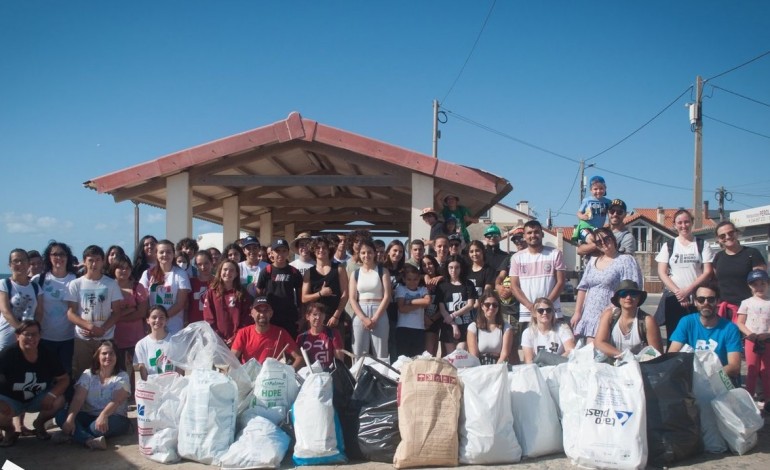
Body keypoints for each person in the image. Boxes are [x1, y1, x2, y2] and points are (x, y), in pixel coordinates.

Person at [0, 321, 69, 447]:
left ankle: (39, 424)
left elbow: (64, 378)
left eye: (35, 334)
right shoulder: (7, 354)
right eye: (27, 334)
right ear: (17, 336)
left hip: (37, 398)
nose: (31, 338)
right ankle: (10, 430)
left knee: (59, 399)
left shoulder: (47, 353)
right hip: (10, 401)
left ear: (40, 335)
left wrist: (52, 394)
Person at [55, 340, 131, 450]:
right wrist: (70, 419)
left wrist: (103, 415)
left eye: (111, 353)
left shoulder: (122, 376)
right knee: (62, 416)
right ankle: (89, 440)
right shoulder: (88, 374)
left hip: (114, 417)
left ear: (116, 356)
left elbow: (116, 400)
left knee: (96, 428)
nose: (108, 356)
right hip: (89, 415)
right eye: (104, 353)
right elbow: (78, 399)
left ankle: (72, 435)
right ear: (98, 356)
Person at [571, 227, 642, 341]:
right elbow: (582, 288)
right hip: (590, 315)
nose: (603, 243)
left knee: (607, 352)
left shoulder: (625, 260)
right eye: (599, 242)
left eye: (606, 239)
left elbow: (631, 288)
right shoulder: (592, 261)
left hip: (612, 314)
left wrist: (612, 308)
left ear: (613, 238)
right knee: (591, 353)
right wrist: (577, 312)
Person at [65, 245, 124, 381]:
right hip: (82, 338)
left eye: (98, 260)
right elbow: (71, 313)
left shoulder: (111, 284)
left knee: (106, 372)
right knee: (82, 373)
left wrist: (102, 330)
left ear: (103, 262)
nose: (94, 264)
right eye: (90, 260)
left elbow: (117, 312)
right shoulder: (75, 284)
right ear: (84, 261)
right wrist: (90, 327)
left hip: (105, 337)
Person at [655, 209, 715, 341]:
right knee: (675, 337)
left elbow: (708, 271)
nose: (683, 225)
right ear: (675, 225)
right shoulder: (669, 245)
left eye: (687, 222)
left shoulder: (702, 245)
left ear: (692, 223)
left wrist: (688, 290)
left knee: (696, 337)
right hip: (674, 299)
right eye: (680, 222)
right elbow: (662, 272)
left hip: (697, 299)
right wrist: (679, 293)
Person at [668, 283, 742, 383]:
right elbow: (672, 353)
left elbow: (734, 366)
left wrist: (709, 377)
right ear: (695, 302)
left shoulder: (730, 328)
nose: (706, 303)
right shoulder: (686, 322)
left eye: (711, 299)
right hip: (691, 378)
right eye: (701, 299)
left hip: (719, 380)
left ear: (717, 301)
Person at [509, 220, 566, 334]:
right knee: (528, 349)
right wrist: (531, 307)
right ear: (524, 236)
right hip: (527, 313)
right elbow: (514, 286)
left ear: (542, 234)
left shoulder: (555, 254)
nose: (533, 235)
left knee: (554, 348)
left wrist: (545, 306)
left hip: (551, 312)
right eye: (529, 233)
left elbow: (561, 282)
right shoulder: (516, 257)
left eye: (536, 232)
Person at [34, 241, 78, 378]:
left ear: (67, 256)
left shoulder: (76, 279)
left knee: (66, 374)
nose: (58, 257)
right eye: (54, 254)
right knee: (45, 374)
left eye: (62, 254)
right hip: (44, 337)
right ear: (48, 257)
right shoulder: (38, 280)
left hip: (69, 338)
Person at [712, 221, 766, 323]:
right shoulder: (718, 257)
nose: (727, 237)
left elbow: (761, 284)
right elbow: (717, 282)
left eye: (730, 233)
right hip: (724, 310)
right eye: (722, 236)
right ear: (718, 239)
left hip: (748, 310)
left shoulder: (752, 253)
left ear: (736, 233)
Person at [594, 280, 663, 359]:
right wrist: (624, 356)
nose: (628, 297)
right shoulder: (610, 315)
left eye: (633, 294)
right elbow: (599, 343)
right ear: (618, 298)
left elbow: (657, 354)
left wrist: (634, 360)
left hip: (641, 367)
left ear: (639, 298)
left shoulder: (648, 321)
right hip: (614, 366)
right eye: (623, 294)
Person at [231, 297, 304, 370]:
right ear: (252, 313)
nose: (262, 314)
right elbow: (231, 360)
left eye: (265, 310)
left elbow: (299, 358)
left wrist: (289, 373)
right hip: (249, 378)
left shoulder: (281, 333)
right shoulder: (243, 333)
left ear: (271, 313)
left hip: (272, 378)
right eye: (259, 310)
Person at [110, 254, 148, 394]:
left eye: (127, 268)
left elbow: (142, 312)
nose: (124, 271)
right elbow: (107, 313)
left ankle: (136, 395)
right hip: (115, 337)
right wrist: (130, 309)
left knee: (135, 370)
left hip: (135, 337)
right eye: (120, 268)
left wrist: (117, 316)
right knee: (118, 369)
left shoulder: (138, 287)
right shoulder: (108, 287)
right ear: (114, 269)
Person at [348, 239, 391, 360]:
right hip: (360, 312)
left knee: (381, 352)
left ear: (374, 253)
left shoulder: (383, 271)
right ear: (359, 254)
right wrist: (363, 318)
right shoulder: (355, 274)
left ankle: (382, 377)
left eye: (369, 252)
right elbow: (352, 298)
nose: (366, 255)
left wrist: (376, 318)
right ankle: (358, 378)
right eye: (363, 253)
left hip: (379, 312)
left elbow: (387, 296)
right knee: (359, 353)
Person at [139, 239, 191, 335]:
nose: (165, 255)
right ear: (156, 254)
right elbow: (143, 300)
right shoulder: (147, 274)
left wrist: (162, 318)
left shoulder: (181, 274)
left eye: (168, 252)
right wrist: (154, 320)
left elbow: (180, 303)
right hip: (154, 326)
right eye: (161, 252)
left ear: (173, 254)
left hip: (174, 327)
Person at [255, 239, 303, 338]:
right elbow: (259, 294)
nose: (280, 254)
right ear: (272, 253)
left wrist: (301, 317)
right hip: (271, 315)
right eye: (277, 251)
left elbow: (300, 296)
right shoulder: (266, 271)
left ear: (288, 253)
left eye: (284, 251)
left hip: (289, 316)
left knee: (290, 346)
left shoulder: (294, 272)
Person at [736, 270, 770, 402]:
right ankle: (748, 399)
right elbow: (740, 322)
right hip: (752, 340)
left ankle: (767, 399)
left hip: (767, 340)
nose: (759, 287)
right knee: (752, 370)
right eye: (755, 285)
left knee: (766, 370)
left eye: (763, 284)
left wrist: (767, 334)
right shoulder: (746, 302)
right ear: (750, 286)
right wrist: (751, 335)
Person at [301, 236, 349, 330]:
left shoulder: (339, 268)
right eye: (318, 248)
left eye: (324, 247)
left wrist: (336, 316)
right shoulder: (309, 272)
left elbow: (345, 294)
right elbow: (304, 298)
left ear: (329, 250)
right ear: (313, 251)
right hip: (316, 320)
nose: (321, 250)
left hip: (335, 318)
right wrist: (320, 294)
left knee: (337, 345)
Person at [203, 259, 253, 346]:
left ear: (236, 274)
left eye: (232, 270)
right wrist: (217, 336)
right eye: (225, 269)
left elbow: (246, 318)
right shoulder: (211, 292)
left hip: (237, 340)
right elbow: (208, 317)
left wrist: (236, 337)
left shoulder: (242, 293)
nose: (228, 273)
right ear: (220, 271)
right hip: (216, 340)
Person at [1, 249, 44, 349]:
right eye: (16, 261)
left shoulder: (36, 287)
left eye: (23, 260)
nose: (20, 263)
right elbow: (5, 311)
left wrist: (32, 333)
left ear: (28, 263)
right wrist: (22, 331)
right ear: (10, 265)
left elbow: (39, 313)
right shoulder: (4, 284)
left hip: (30, 340)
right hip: (8, 337)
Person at [435, 255, 478, 355]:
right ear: (447, 268)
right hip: (448, 326)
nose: (453, 270)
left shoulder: (468, 284)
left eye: (457, 267)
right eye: (451, 267)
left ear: (461, 268)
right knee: (451, 358)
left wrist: (453, 315)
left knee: (460, 354)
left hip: (465, 324)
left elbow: (470, 305)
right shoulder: (442, 286)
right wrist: (453, 324)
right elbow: (442, 308)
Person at [522, 297, 576, 363]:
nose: (545, 313)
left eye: (548, 310)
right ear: (534, 314)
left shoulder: (563, 329)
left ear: (552, 313)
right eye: (540, 311)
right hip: (538, 368)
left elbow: (571, 350)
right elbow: (528, 360)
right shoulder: (528, 333)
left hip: (559, 367)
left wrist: (553, 362)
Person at [467, 292, 514, 365]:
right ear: (482, 306)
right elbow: (474, 355)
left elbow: (504, 354)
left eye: (495, 305)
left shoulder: (506, 328)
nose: (491, 307)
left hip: (499, 365)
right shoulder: (473, 327)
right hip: (479, 366)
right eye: (487, 305)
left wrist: (495, 370)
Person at [394, 264, 431, 357]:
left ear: (419, 279)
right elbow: (402, 308)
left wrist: (410, 302)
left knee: (417, 357)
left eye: (415, 279)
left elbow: (427, 301)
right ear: (404, 279)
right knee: (403, 357)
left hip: (419, 328)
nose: (412, 282)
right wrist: (420, 304)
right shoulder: (401, 289)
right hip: (403, 327)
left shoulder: (423, 289)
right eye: (409, 279)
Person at [296, 303, 344, 369]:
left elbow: (339, 361)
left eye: (321, 314)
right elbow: (299, 361)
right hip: (310, 375)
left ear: (324, 316)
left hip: (329, 373)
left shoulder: (333, 333)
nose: (318, 317)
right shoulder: (301, 338)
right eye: (314, 314)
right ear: (308, 317)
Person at [134, 305, 176, 380]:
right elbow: (142, 370)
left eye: (161, 317)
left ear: (167, 320)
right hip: (152, 388)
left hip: (172, 387)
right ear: (147, 320)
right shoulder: (141, 345)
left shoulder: (175, 341)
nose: (157, 320)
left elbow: (179, 369)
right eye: (154, 317)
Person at [383, 240, 405, 361]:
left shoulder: (404, 270)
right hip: (383, 309)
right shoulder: (381, 268)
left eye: (400, 251)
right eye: (395, 250)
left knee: (395, 341)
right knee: (385, 341)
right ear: (388, 252)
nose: (397, 254)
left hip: (399, 310)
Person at [573, 175, 611, 245]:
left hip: (598, 229)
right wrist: (583, 216)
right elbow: (578, 213)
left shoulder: (608, 202)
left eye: (601, 188)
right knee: (592, 240)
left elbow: (611, 213)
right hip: (586, 227)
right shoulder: (587, 200)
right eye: (595, 189)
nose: (598, 191)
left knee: (605, 240)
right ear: (591, 190)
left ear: (605, 188)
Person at [421, 254, 443, 356]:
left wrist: (433, 319)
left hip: (436, 319)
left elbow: (444, 303)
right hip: (422, 319)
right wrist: (425, 318)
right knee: (428, 352)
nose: (427, 267)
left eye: (429, 263)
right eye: (424, 265)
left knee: (434, 351)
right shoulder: (419, 282)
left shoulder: (442, 282)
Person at [496, 276, 521, 364]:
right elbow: (500, 275)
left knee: (513, 346)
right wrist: (498, 286)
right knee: (500, 345)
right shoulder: (505, 263)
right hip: (501, 311)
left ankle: (516, 371)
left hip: (516, 313)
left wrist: (513, 290)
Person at [188, 250, 214, 324]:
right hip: (194, 323)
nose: (203, 267)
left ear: (211, 263)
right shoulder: (191, 282)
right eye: (199, 264)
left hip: (212, 324)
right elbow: (186, 305)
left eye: (206, 263)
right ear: (196, 266)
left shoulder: (218, 282)